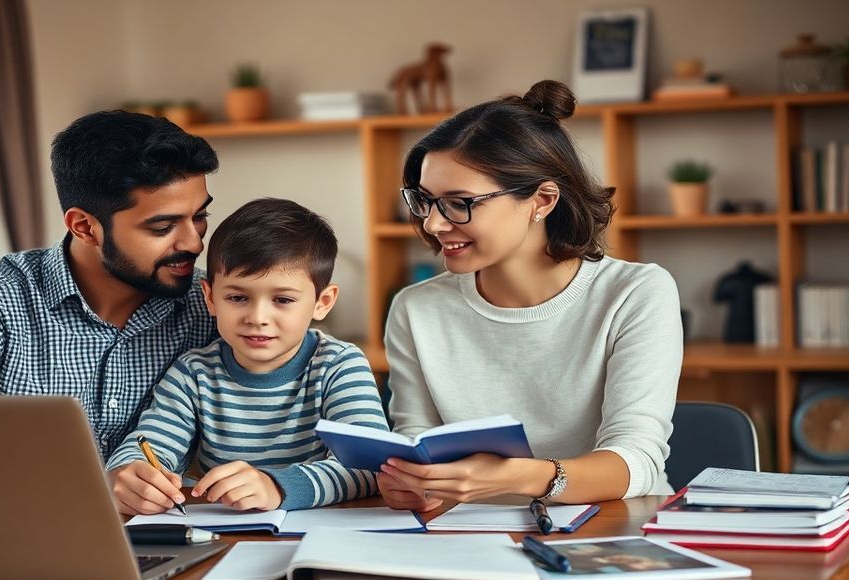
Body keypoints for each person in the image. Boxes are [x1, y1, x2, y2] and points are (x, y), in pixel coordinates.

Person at [377, 80, 682, 512]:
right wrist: (411, 484)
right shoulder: (416, 308)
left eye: (459, 203)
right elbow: (417, 445)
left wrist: (524, 475)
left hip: (614, 527)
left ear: (541, 199)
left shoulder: (635, 293)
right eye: (425, 201)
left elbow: (637, 460)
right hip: (466, 537)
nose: (433, 224)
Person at [0, 111, 220, 459]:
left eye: (199, 217)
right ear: (85, 227)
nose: (194, 244)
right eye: (162, 227)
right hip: (18, 514)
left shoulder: (216, 305)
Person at [105, 199, 389, 515]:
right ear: (211, 298)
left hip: (321, 536)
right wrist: (129, 472)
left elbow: (370, 467)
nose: (257, 317)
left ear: (322, 302)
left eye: (282, 299)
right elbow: (151, 443)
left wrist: (277, 487)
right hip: (223, 538)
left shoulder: (340, 365)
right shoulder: (193, 373)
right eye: (238, 297)